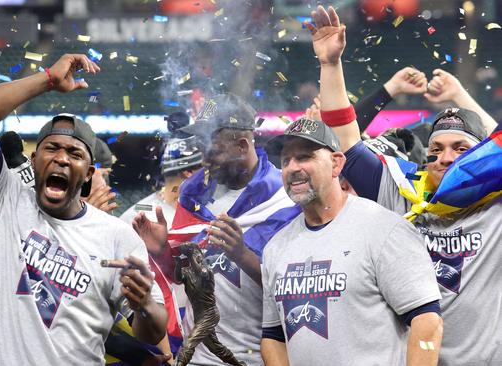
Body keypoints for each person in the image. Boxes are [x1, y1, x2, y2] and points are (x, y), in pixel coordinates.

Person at [306, 5, 502, 365]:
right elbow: (344, 143)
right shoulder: (401, 188)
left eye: (461, 149)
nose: (445, 158)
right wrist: (331, 66)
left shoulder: (496, 203)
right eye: (436, 149)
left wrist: (460, 96)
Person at [0, 53, 167, 364]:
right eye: (52, 148)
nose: (62, 158)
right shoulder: (2, 199)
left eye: (74, 153)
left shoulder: (118, 237)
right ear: (34, 159)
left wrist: (145, 303)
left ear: (89, 174)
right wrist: (48, 79)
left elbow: (151, 333)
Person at [133, 93, 301, 365]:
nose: (204, 159)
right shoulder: (193, 192)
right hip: (196, 356)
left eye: (212, 148)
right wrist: (163, 252)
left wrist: (242, 255)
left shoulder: (285, 200)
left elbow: (295, 290)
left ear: (242, 146)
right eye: (200, 147)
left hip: (256, 357)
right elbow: (183, 275)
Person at [260, 116, 443, 366]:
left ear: (336, 164)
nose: (292, 168)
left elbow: (427, 322)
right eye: (285, 161)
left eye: (304, 157)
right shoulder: (275, 248)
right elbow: (273, 336)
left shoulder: (384, 229)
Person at [120, 111, 203, 228]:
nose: (210, 174)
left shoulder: (208, 209)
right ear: (188, 172)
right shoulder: (139, 218)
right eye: (204, 168)